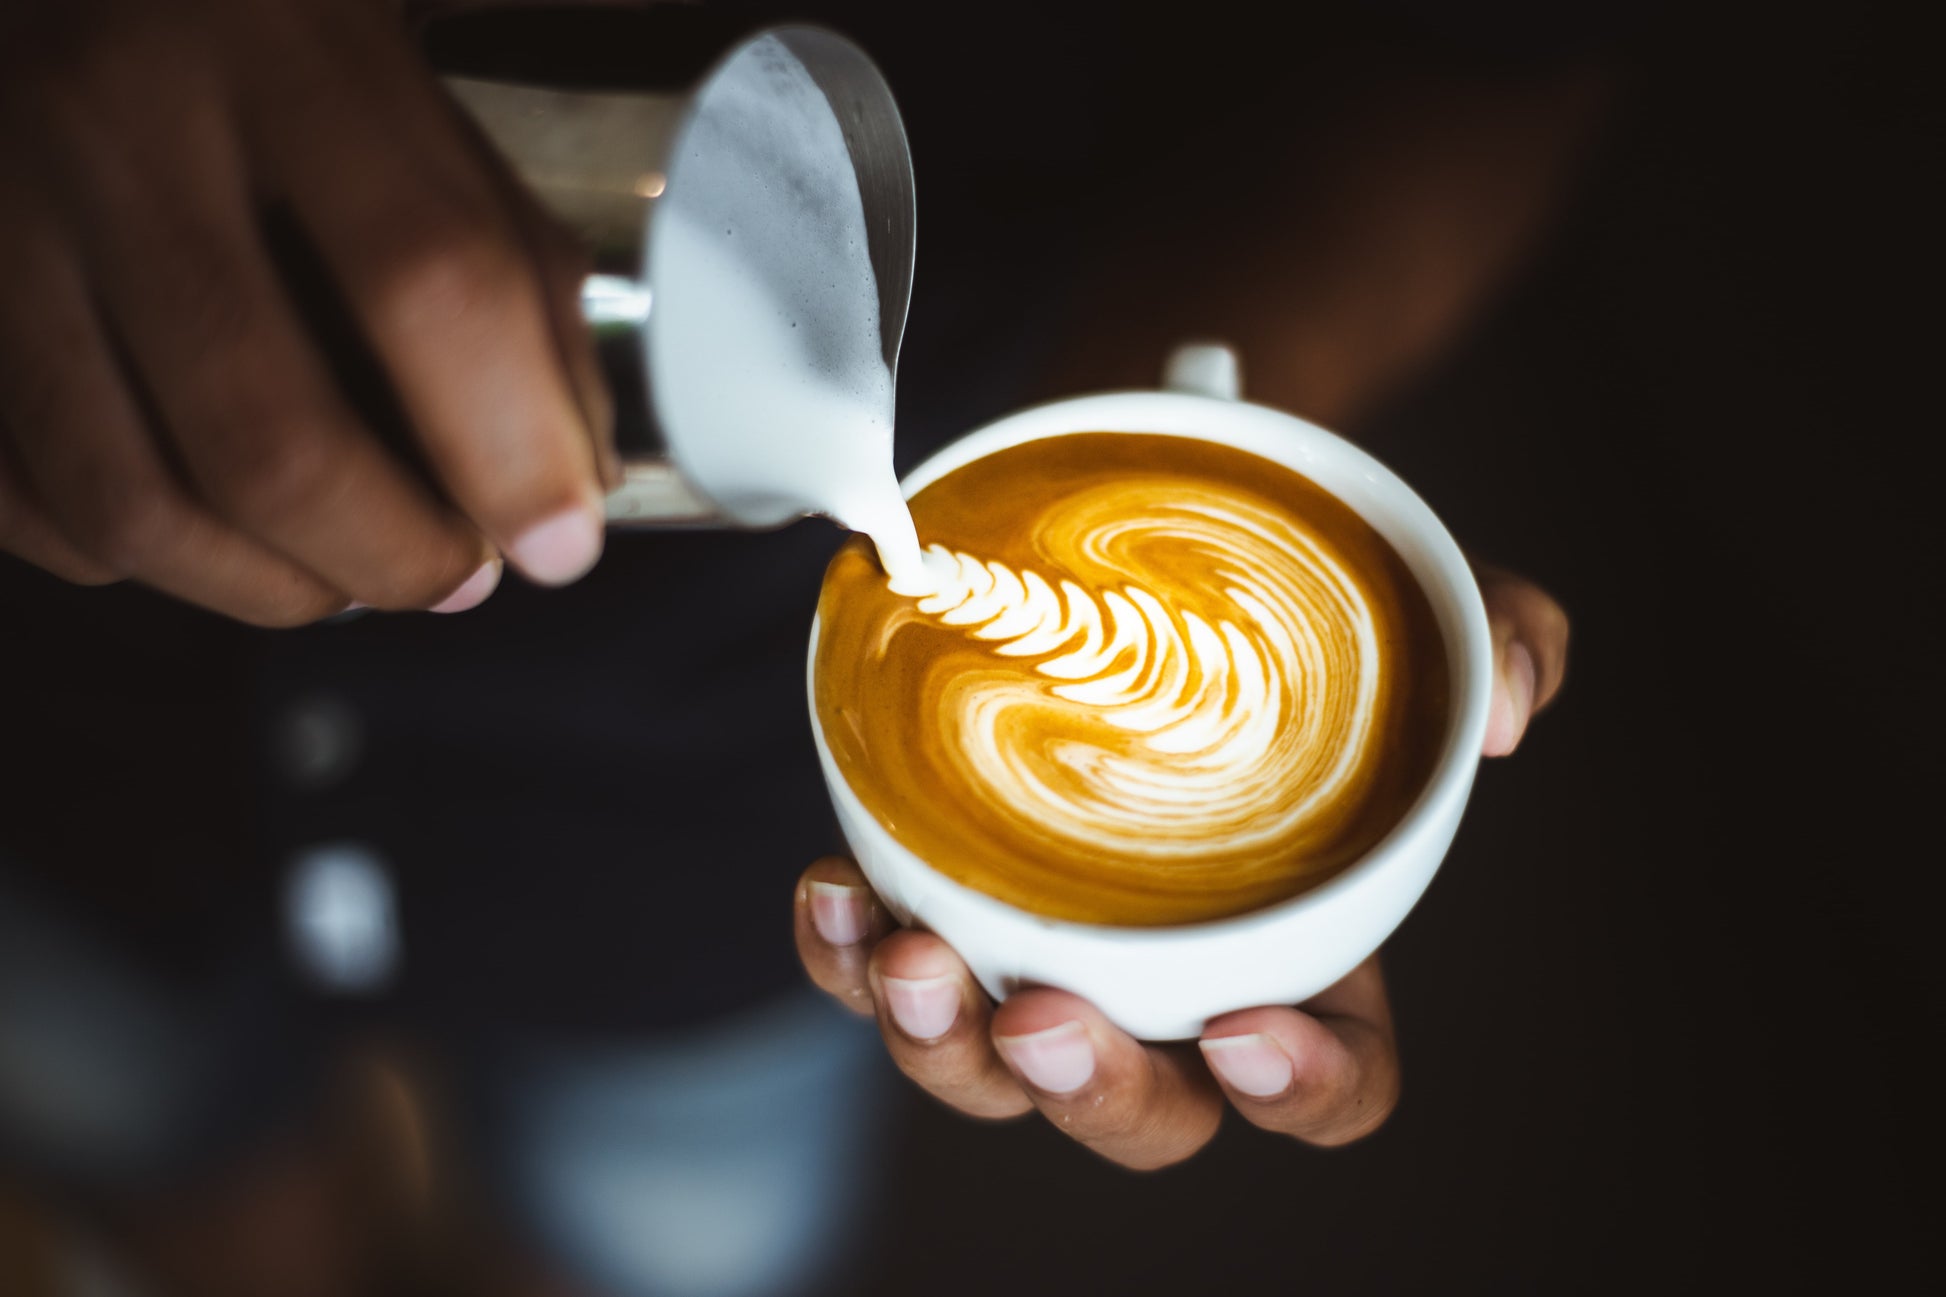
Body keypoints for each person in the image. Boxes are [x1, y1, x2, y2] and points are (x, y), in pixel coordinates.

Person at [0, 1, 1582, 1292]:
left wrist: (1188, 415)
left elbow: (1491, 56)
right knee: (175, 1183)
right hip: (77, 753)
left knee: (645, 1253)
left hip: (715, 863)